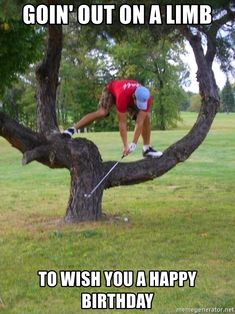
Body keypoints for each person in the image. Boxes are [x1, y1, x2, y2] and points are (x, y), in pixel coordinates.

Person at [63, 79, 163, 158]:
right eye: (139, 103)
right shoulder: (123, 96)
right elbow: (122, 124)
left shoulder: (147, 98)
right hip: (112, 90)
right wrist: (126, 146)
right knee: (102, 112)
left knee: (146, 118)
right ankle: (73, 129)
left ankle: (146, 149)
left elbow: (139, 122)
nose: (140, 106)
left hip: (128, 96)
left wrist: (134, 143)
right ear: (134, 97)